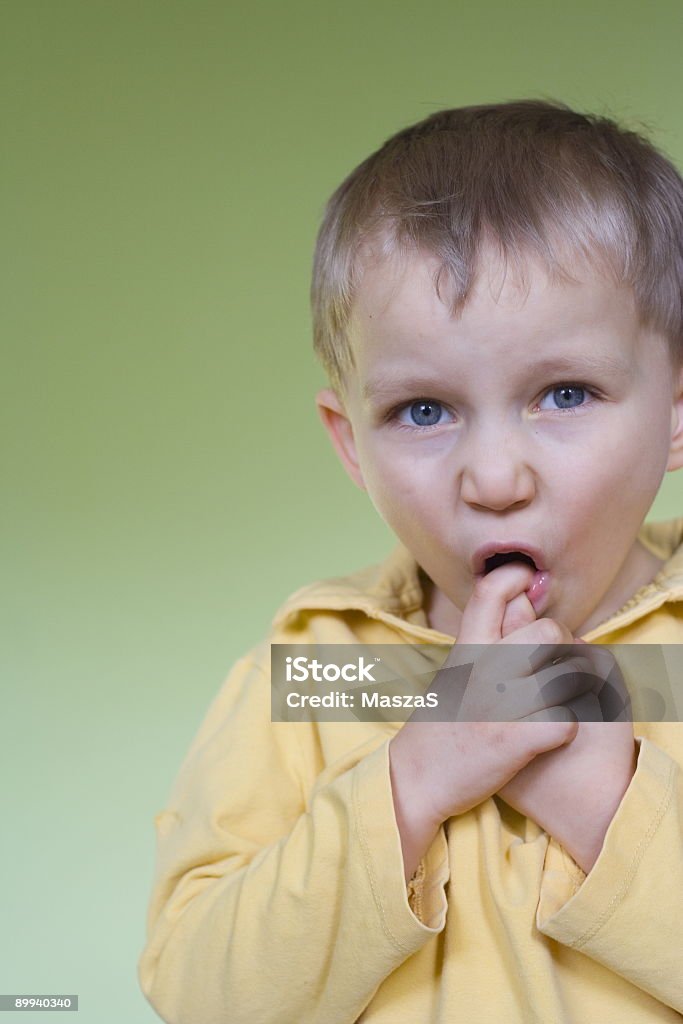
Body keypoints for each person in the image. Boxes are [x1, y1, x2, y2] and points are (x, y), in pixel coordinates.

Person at [139, 101, 683, 1022]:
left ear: (674, 410)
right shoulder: (314, 673)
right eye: (423, 411)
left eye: (563, 392)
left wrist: (604, 801)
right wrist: (411, 780)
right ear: (351, 442)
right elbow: (202, 997)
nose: (495, 477)